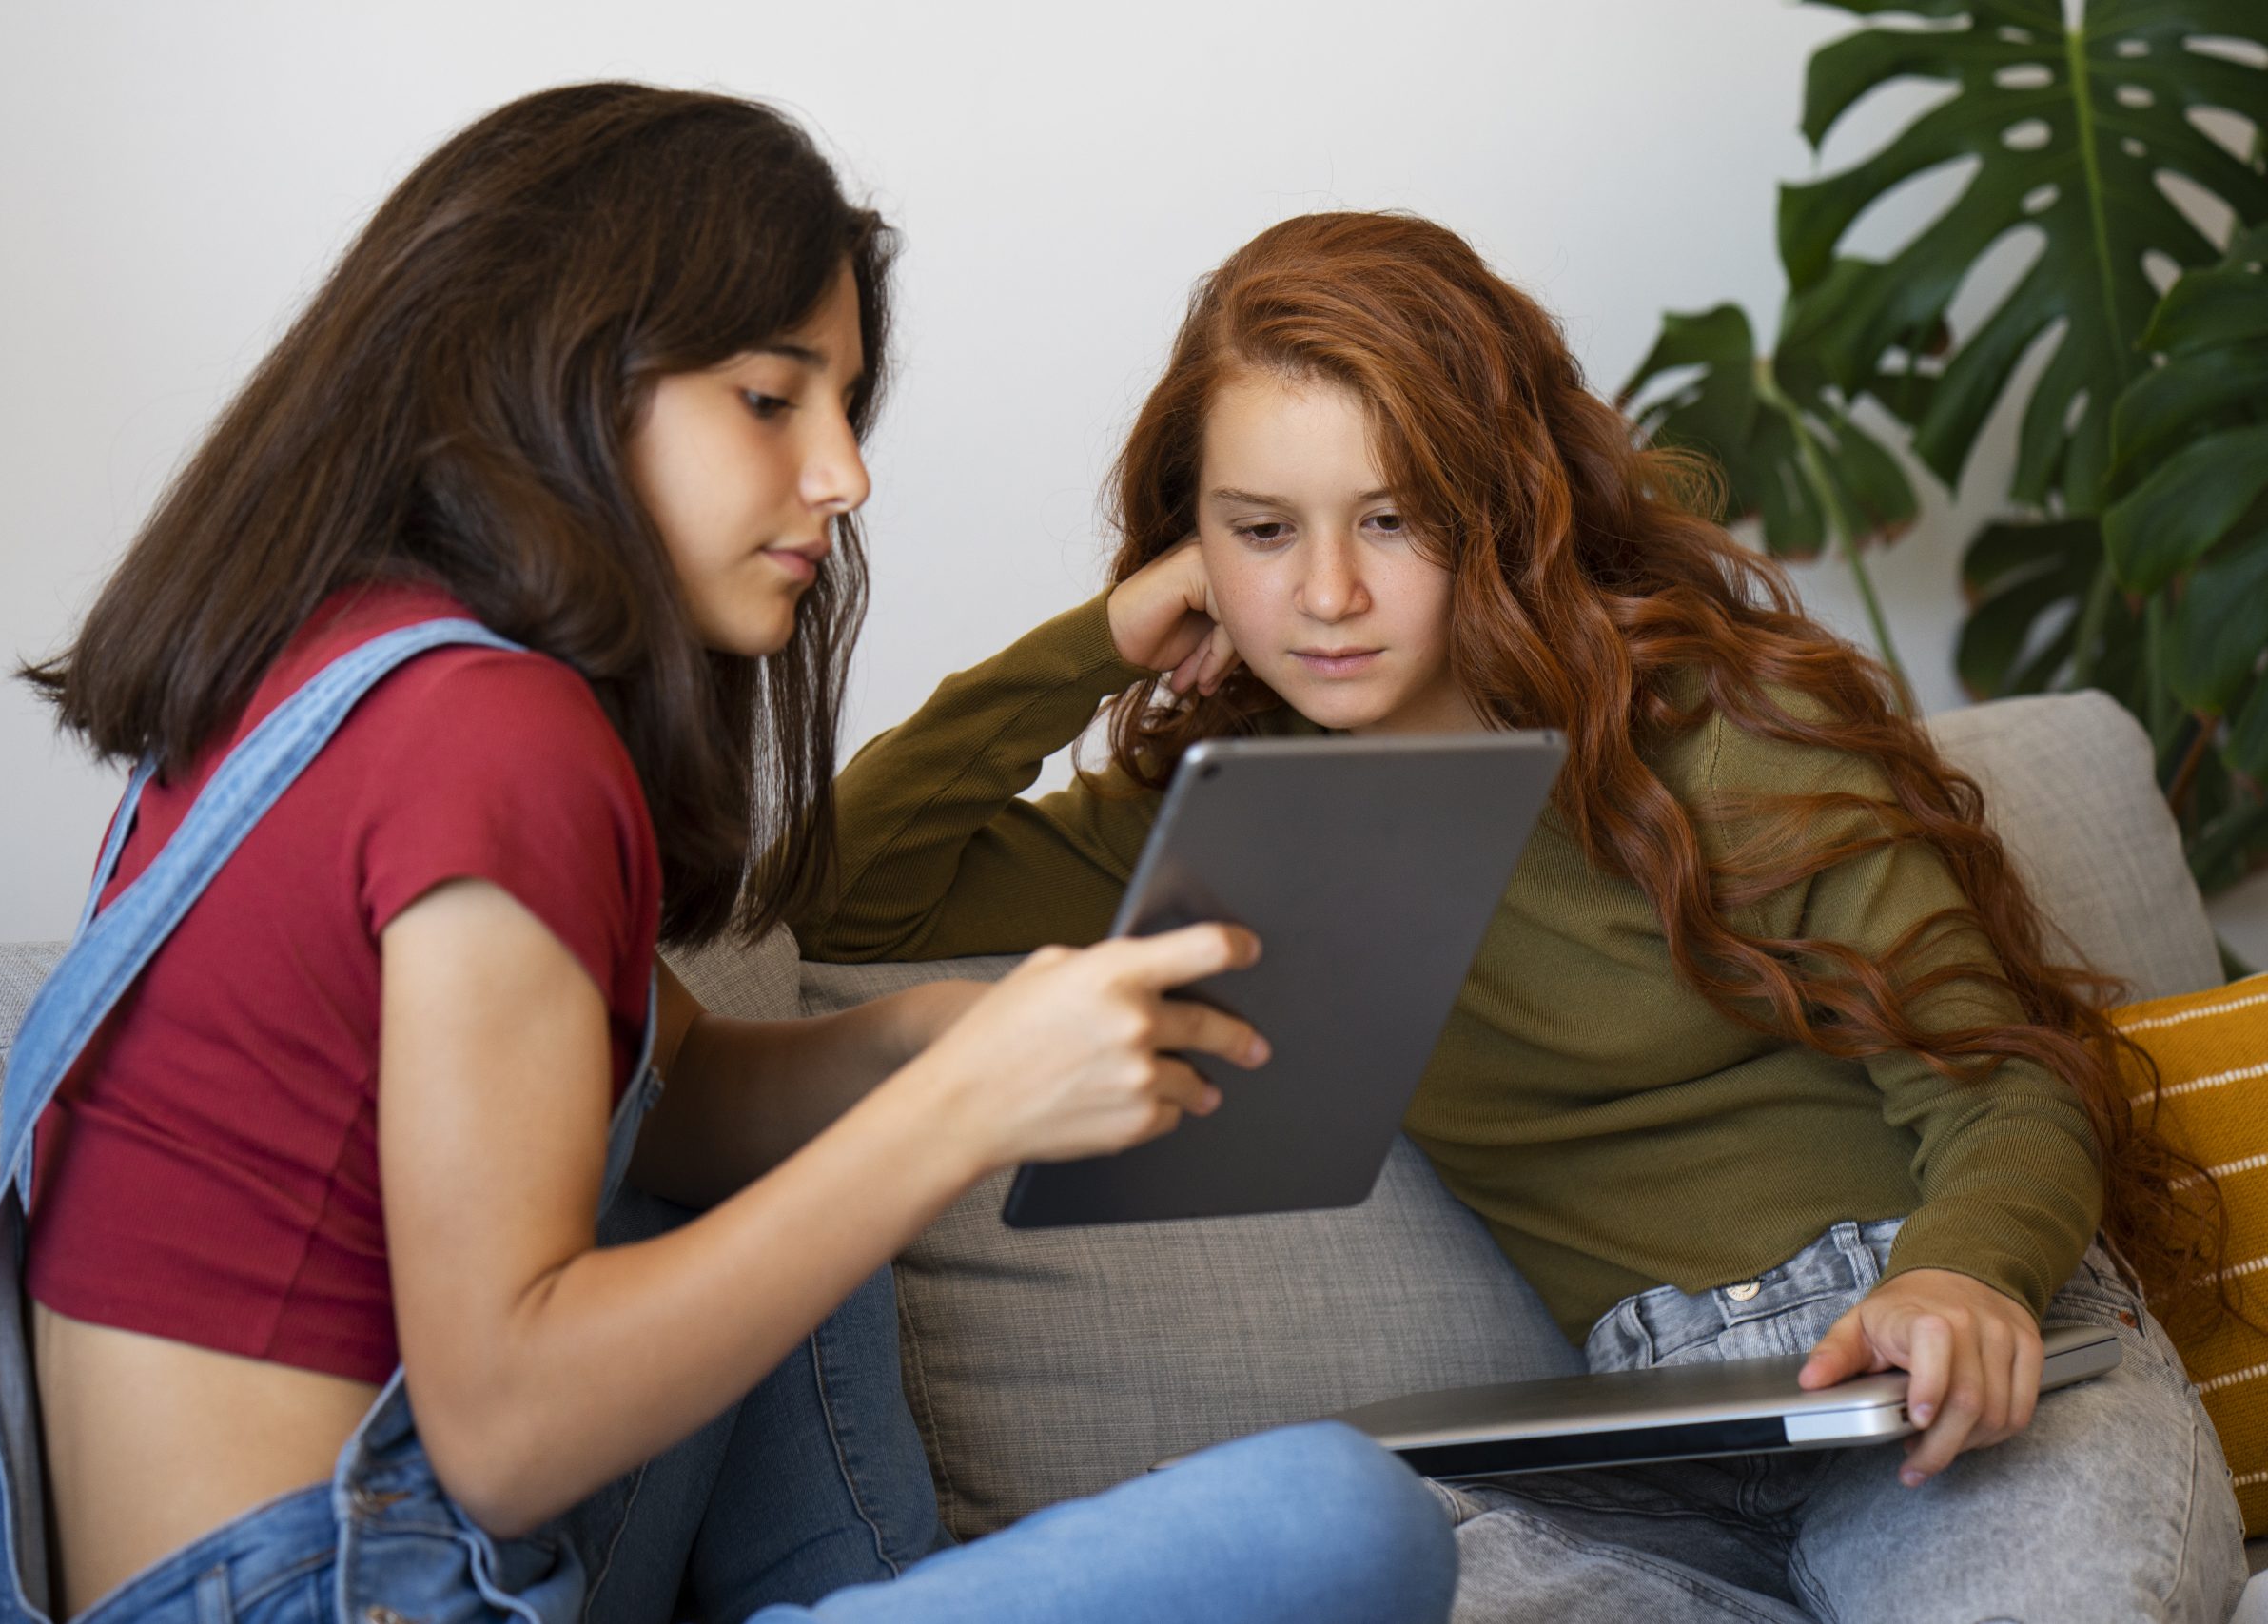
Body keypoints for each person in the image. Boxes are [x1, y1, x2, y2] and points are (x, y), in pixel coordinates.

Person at [0, 90, 1461, 1624]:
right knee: (1351, 1517)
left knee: (780, 1166)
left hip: (186, 1582)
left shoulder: (332, 674)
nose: (844, 475)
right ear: (560, 380)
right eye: (767, 399)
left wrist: (946, 1036)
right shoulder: (495, 738)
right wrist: (960, 1110)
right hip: (323, 1594)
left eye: (844, 409)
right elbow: (506, 1434)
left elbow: (675, 1107)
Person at [786, 209, 2249, 1622]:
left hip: (1929, 1352)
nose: (1329, 592)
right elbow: (840, 895)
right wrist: (1094, 643)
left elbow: (2000, 1083)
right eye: (1261, 530)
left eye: (1390, 518)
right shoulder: (1228, 823)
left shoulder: (1719, 724)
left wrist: (1963, 1280)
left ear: (1497, 507)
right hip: (1652, 1447)